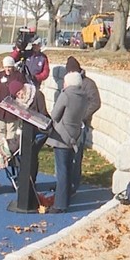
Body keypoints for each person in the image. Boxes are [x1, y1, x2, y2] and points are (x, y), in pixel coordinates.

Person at [45, 68, 90, 214]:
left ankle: (60, 205)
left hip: (61, 137)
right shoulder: (83, 96)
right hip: (75, 134)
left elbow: (55, 115)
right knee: (69, 168)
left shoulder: (66, 95)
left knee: (62, 171)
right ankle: (66, 199)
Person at [64, 56, 101, 195]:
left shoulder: (88, 84)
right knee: (66, 156)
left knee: (76, 155)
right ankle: (64, 184)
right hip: (68, 125)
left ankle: (73, 185)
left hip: (81, 125)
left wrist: (82, 115)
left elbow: (96, 103)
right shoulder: (68, 81)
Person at [0, 56, 28, 144]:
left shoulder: (19, 76)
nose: (7, 69)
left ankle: (9, 149)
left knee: (11, 132)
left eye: (9, 67)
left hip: (12, 110)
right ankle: (0, 148)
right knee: (0, 130)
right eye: (6, 67)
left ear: (13, 67)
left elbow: (24, 91)